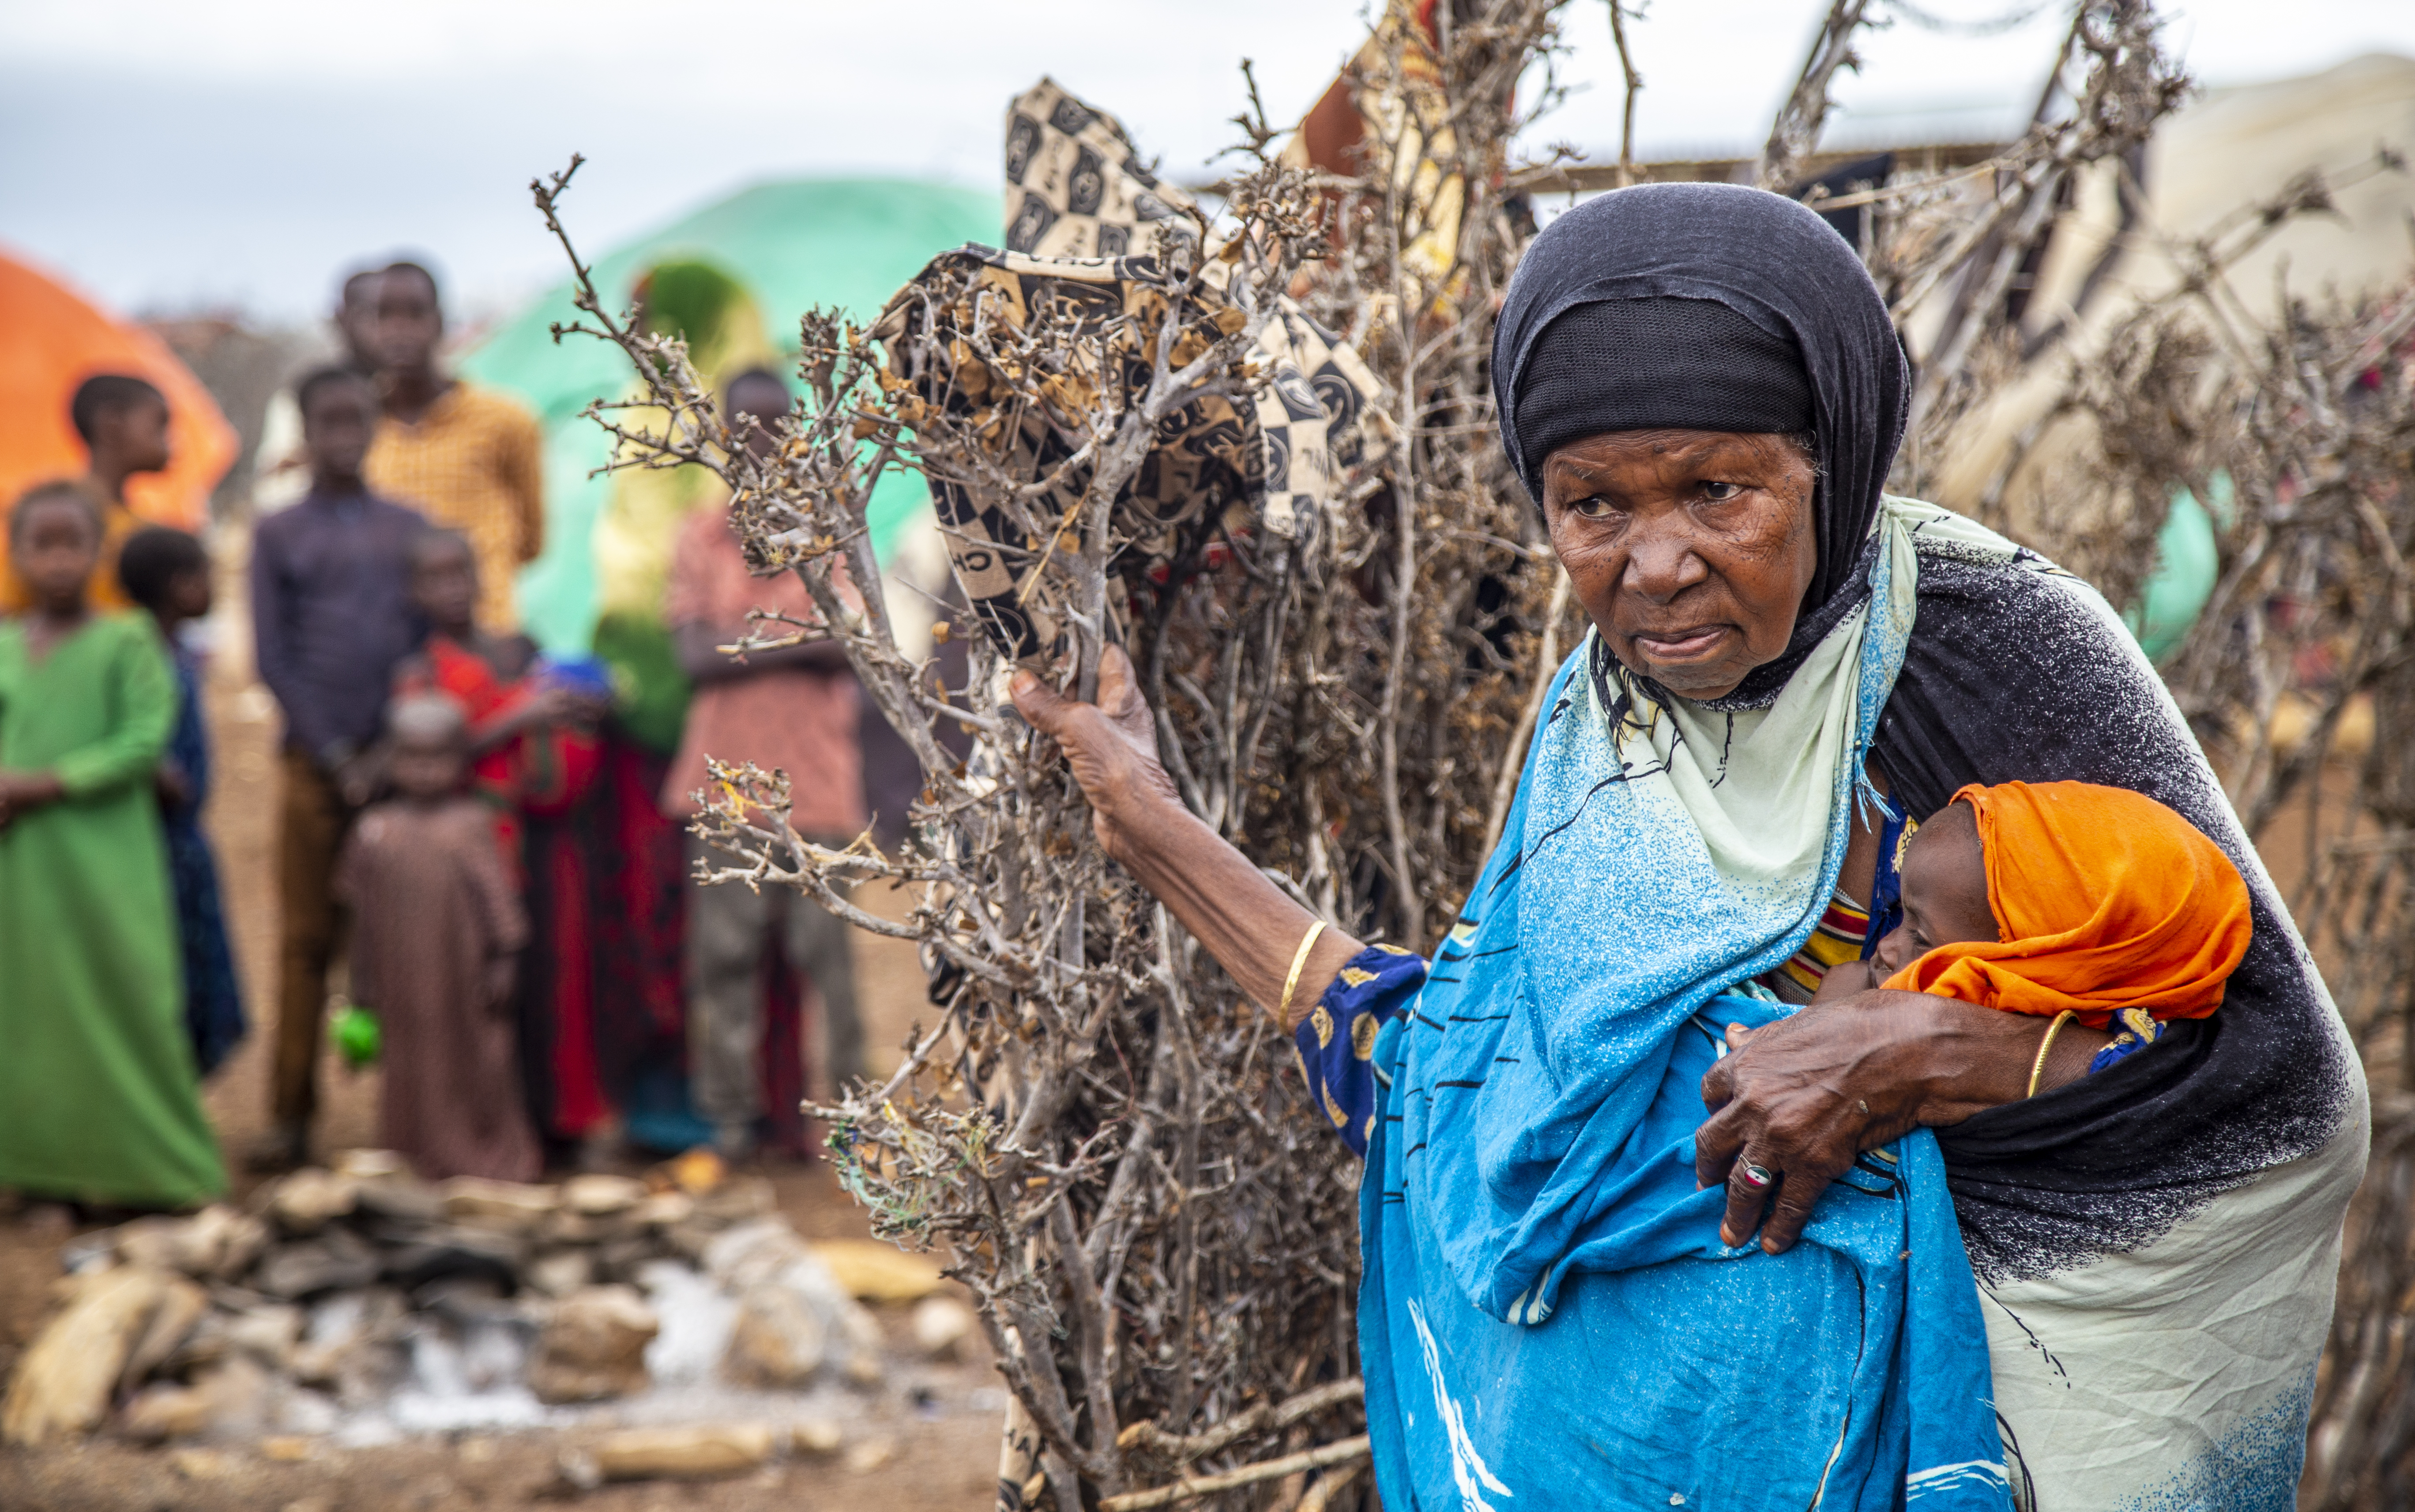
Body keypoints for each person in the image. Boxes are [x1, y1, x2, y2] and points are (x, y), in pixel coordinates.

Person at [1013, 184, 2365, 1508]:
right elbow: (1474, 1086)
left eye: (1721, 490)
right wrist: (1149, 819)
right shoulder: (1604, 719)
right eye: (1592, 505)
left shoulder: (1993, 650)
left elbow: (2285, 1091)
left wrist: (1919, 1050)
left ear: (1832, 455)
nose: (1653, 565)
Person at [0, 483, 225, 1208]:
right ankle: (40, 1173)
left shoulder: (128, 640)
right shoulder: (4, 644)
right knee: (31, 1012)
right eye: (44, 544)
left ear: (99, 551)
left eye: (75, 544)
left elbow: (143, 739)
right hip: (21, 860)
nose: (60, 561)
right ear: (17, 553)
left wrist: (44, 784)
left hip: (106, 854)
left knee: (130, 997)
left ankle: (161, 1171)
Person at [665, 368, 866, 1160]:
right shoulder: (700, 532)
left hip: (817, 777)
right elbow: (689, 657)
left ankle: (848, 1120)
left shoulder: (831, 528)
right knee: (722, 959)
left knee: (831, 961)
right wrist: (795, 643)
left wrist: (737, 640)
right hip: (722, 781)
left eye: (776, 426)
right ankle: (727, 1120)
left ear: (797, 433)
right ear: (723, 430)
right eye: (744, 425)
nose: (760, 442)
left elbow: (849, 647)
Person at [251, 366, 427, 1170]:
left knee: (399, 941)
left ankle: (412, 1116)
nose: (345, 434)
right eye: (328, 420)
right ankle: (291, 1117)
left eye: (358, 418)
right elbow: (275, 657)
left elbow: (425, 646)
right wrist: (334, 753)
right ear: (305, 430)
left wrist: (390, 751)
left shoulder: (407, 528)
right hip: (311, 768)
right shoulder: (278, 532)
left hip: (400, 769)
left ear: (374, 425)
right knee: (304, 942)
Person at [1817, 782, 2253, 1074]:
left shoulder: (2110, 1087)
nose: (1885, 949)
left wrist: (1822, 1030)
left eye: (1921, 939)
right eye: (1900, 914)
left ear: (2045, 970)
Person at [335, 694, 539, 1182]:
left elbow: (499, 903)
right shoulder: (375, 831)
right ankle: (414, 1153)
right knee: (409, 1070)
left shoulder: (470, 825)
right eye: (412, 758)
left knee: (475, 1066)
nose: (425, 772)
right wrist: (360, 982)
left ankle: (482, 1157)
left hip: (461, 982)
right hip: (400, 984)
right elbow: (359, 915)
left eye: (438, 759)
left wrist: (504, 962)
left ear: (461, 761)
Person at [119, 525, 247, 1077]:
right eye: (206, 577)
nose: (215, 589)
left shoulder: (182, 652)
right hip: (152, 849)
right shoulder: (138, 654)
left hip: (185, 845)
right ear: (179, 586)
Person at [364, 261, 545, 631]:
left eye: (415, 314)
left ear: (440, 322)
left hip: (485, 637)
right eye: (386, 316)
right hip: (394, 641)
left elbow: (531, 541)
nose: (400, 330)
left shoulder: (506, 420)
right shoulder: (359, 428)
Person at [0, 374, 172, 614]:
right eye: (160, 424)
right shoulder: (47, 519)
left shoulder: (147, 529)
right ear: (112, 424)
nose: (173, 440)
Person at [252, 267, 384, 515]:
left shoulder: (441, 402)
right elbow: (274, 490)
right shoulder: (302, 399)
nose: (383, 326)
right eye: (369, 312)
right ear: (341, 318)